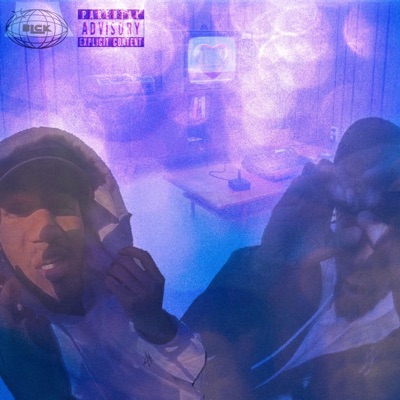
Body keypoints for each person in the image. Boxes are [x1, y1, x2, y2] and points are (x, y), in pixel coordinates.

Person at [183, 117, 400, 400]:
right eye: (350, 201)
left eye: (388, 212)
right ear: (334, 199)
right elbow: (180, 364)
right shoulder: (299, 275)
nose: (367, 241)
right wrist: (266, 263)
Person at [0, 127, 205, 400]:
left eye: (61, 206)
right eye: (19, 210)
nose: (47, 229)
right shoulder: (8, 343)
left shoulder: (122, 302)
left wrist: (155, 324)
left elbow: (194, 383)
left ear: (87, 223)